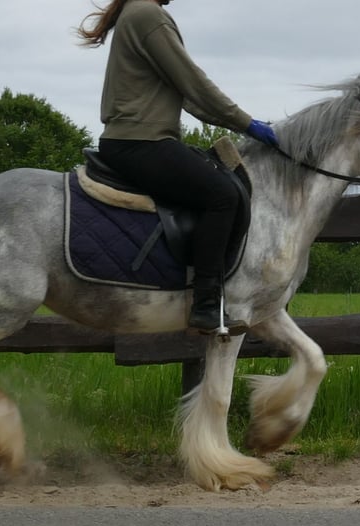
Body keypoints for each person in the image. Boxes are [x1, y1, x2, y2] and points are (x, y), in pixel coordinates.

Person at [78, 0, 279, 335]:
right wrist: (248, 124)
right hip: (142, 143)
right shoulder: (148, 14)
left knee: (218, 180)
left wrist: (240, 123)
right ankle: (205, 304)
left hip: (136, 140)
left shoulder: (137, 12)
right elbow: (194, 83)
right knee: (223, 194)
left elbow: (188, 97)